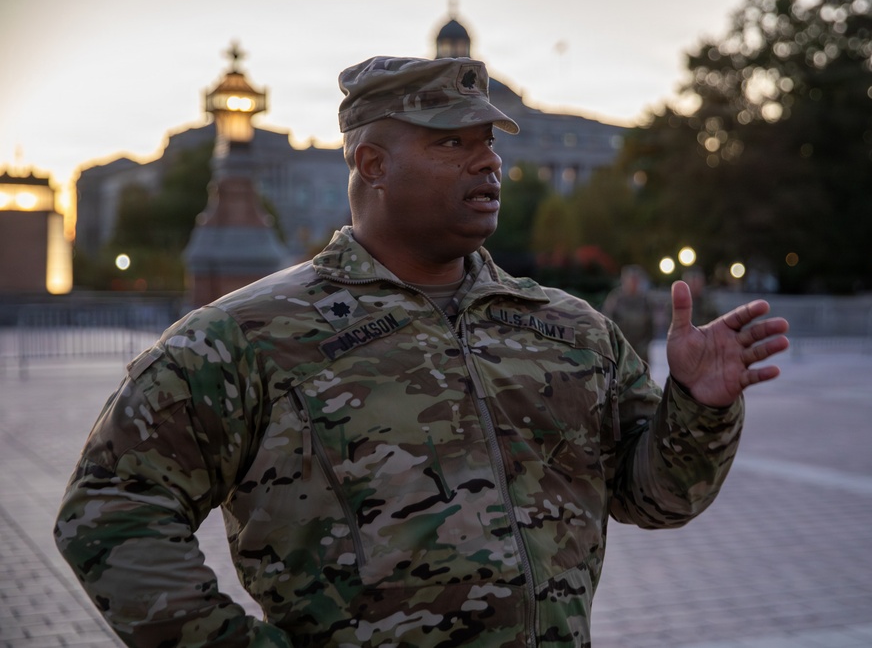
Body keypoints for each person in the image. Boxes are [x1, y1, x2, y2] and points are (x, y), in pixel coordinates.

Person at [54, 55, 789, 648]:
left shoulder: (570, 329)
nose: (487, 163)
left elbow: (657, 495)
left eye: (490, 142)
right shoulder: (249, 336)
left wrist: (698, 407)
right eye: (451, 142)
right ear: (372, 164)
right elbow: (110, 508)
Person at [601, 265, 657, 363]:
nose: (633, 283)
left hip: (641, 352)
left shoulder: (645, 300)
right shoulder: (616, 299)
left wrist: (645, 344)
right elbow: (607, 322)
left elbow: (651, 325)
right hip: (621, 349)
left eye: (636, 280)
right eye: (631, 279)